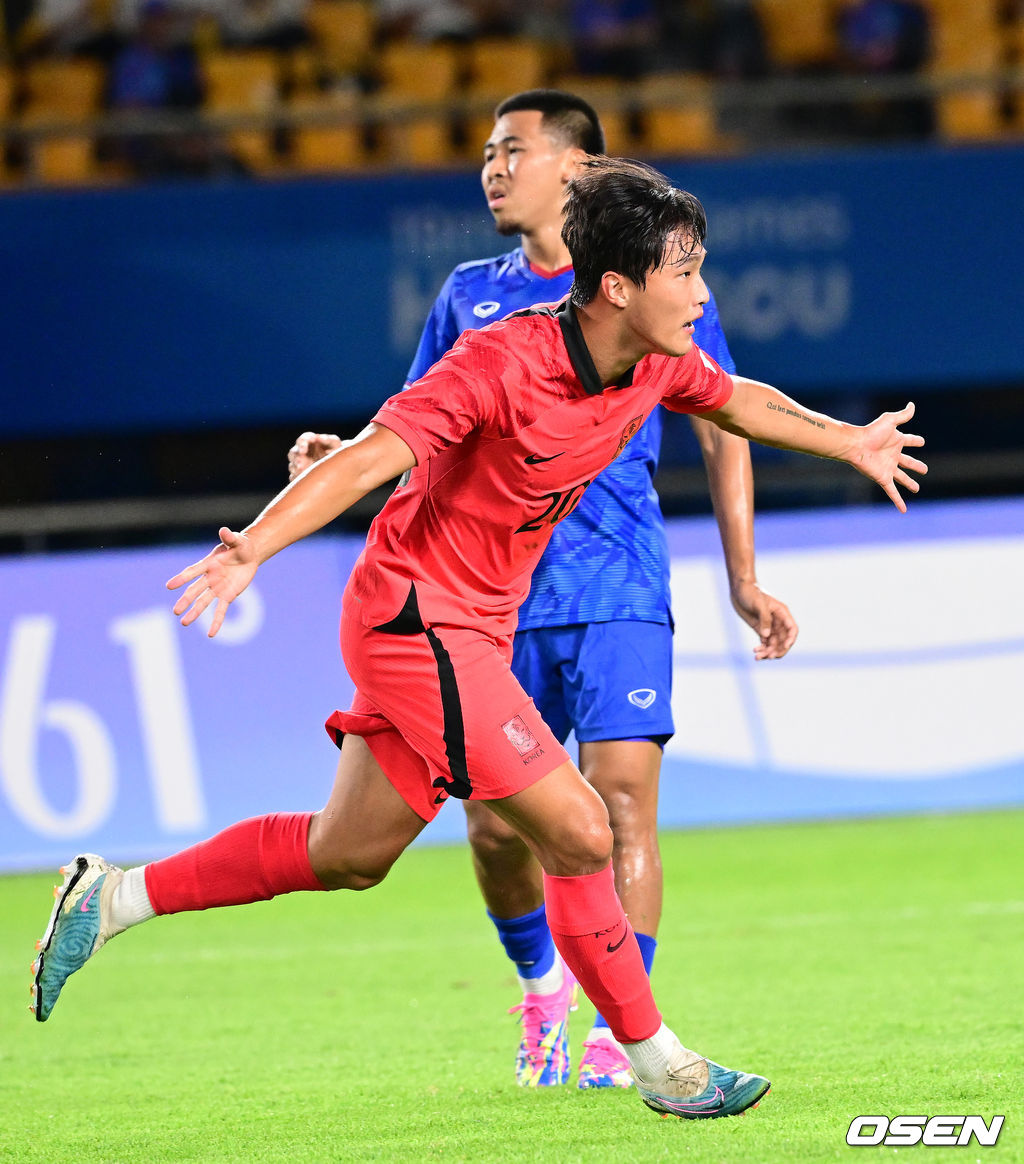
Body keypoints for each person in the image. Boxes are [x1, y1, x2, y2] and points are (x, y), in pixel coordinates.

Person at [31, 156, 926, 1125]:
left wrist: (851, 441)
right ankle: (659, 1063)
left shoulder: (655, 362)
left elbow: (739, 399)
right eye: (685, 272)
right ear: (619, 286)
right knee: (582, 830)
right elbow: (376, 454)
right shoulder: (498, 361)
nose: (702, 291)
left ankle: (111, 898)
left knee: (350, 852)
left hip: (471, 626)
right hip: (416, 618)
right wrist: (256, 543)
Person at [288, 89, 798, 1092]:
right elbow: (415, 430)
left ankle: (622, 1033)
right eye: (484, 150)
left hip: (618, 583)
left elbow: (727, 419)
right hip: (484, 602)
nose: (488, 166)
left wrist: (742, 577)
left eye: (508, 150)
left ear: (573, 172)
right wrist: (341, 460)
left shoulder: (659, 281)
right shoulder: (468, 297)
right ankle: (540, 990)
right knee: (492, 828)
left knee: (620, 808)